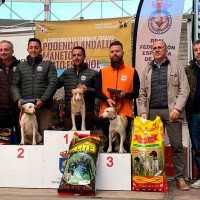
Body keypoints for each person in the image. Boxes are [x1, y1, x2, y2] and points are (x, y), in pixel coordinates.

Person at [138, 40, 190, 190]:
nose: (157, 50)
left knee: (177, 145)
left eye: (160, 47)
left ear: (166, 50)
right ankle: (154, 177)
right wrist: (142, 111)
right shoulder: (146, 69)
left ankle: (179, 178)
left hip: (172, 112)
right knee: (153, 147)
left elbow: (184, 89)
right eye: (154, 48)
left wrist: (178, 108)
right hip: (152, 113)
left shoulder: (177, 66)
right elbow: (142, 94)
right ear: (152, 51)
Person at [96, 40, 140, 152]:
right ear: (109, 54)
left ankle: (125, 169)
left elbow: (137, 93)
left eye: (117, 51)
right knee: (107, 147)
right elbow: (97, 91)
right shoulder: (103, 72)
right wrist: (107, 99)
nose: (115, 53)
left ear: (122, 53)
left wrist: (125, 95)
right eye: (112, 51)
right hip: (106, 115)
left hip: (125, 115)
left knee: (125, 148)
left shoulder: (132, 71)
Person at [11, 38, 58, 140]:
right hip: (27, 108)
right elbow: (14, 85)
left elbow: (53, 83)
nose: (33, 50)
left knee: (44, 136)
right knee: (26, 137)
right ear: (27, 49)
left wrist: (43, 100)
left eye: (36, 48)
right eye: (31, 48)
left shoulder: (48, 64)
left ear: (41, 49)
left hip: (43, 107)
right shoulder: (21, 66)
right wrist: (18, 99)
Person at [58, 46, 98, 131]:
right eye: (74, 55)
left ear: (84, 56)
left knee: (86, 144)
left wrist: (88, 89)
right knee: (69, 144)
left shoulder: (93, 73)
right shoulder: (66, 73)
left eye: (79, 55)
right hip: (70, 117)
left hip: (87, 116)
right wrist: (48, 67)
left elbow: (100, 92)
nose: (76, 57)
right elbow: (54, 84)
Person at [185, 39, 200, 189]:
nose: (198, 52)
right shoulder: (188, 70)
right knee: (198, 148)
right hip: (195, 115)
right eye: (196, 50)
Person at [0, 40, 20, 144]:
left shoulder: (20, 65)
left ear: (12, 51)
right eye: (1, 50)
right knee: (3, 140)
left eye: (6, 50)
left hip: (18, 107)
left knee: (22, 136)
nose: (3, 52)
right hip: (2, 110)